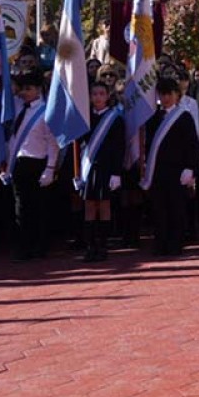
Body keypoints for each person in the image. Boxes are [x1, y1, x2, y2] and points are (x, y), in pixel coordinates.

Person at [142, 77, 199, 256]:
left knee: (176, 207)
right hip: (158, 170)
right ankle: (160, 243)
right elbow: (149, 144)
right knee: (159, 207)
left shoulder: (184, 116)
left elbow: (193, 144)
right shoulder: (153, 118)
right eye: (162, 94)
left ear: (177, 95)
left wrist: (191, 168)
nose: (166, 98)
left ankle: (176, 243)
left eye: (169, 93)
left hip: (177, 169)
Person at [2, 72, 57, 261]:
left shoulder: (45, 111)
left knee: (39, 207)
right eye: (23, 89)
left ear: (38, 90)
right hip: (19, 163)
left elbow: (52, 143)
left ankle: (40, 246)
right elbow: (12, 140)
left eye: (29, 89)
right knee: (20, 207)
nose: (24, 92)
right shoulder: (18, 108)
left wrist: (50, 168)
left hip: (38, 163)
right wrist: (7, 167)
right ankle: (23, 245)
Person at [76, 81, 125, 262]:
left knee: (104, 206)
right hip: (88, 168)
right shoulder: (85, 118)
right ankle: (90, 246)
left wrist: (116, 173)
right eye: (94, 94)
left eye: (101, 94)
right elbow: (79, 143)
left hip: (107, 168)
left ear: (108, 96)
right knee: (89, 207)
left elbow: (119, 147)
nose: (97, 97)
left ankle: (103, 246)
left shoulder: (115, 119)